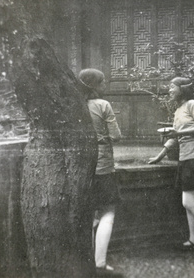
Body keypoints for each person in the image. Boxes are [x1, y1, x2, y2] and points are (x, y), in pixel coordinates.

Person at [148, 77, 194, 257]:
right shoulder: (178, 110)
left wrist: (179, 132)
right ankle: (193, 239)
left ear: (182, 89)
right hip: (186, 157)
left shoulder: (193, 104)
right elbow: (174, 136)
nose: (169, 90)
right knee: (189, 202)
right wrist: (159, 156)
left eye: (172, 87)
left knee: (188, 201)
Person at [78, 69, 123, 277]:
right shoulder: (103, 105)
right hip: (103, 164)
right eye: (102, 82)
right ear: (94, 85)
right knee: (108, 211)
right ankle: (100, 264)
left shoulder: (76, 107)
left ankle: (85, 263)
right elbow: (116, 136)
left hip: (81, 166)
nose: (105, 86)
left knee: (88, 213)